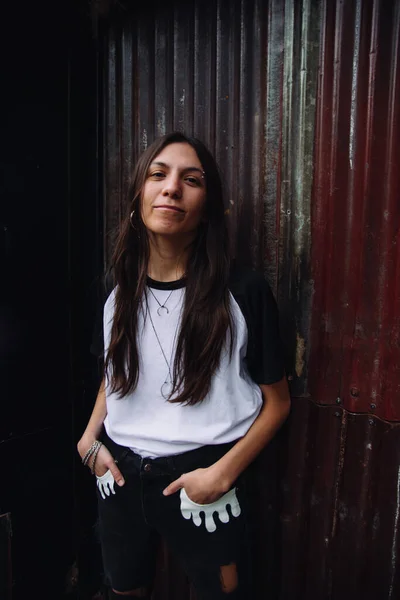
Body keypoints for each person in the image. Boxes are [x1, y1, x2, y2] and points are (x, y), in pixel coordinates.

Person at [77, 132, 291, 600]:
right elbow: (114, 373)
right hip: (120, 474)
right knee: (123, 589)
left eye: (190, 180)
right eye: (158, 175)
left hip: (207, 476)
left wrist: (222, 473)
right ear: (139, 194)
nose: (171, 188)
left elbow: (277, 403)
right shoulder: (117, 287)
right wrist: (89, 437)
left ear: (207, 204)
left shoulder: (243, 291)